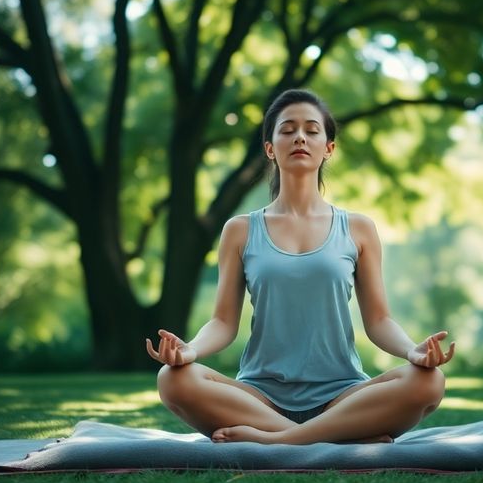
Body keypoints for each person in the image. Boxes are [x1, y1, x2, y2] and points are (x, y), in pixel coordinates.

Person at [145, 88, 455, 445]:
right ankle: (338, 437)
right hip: (258, 398)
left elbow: (380, 321)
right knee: (173, 378)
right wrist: (189, 351)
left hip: (343, 396)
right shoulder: (240, 230)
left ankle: (278, 441)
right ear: (269, 148)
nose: (300, 138)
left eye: (311, 130)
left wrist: (413, 351)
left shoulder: (358, 228)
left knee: (429, 381)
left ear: (329, 148)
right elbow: (223, 322)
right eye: (287, 129)